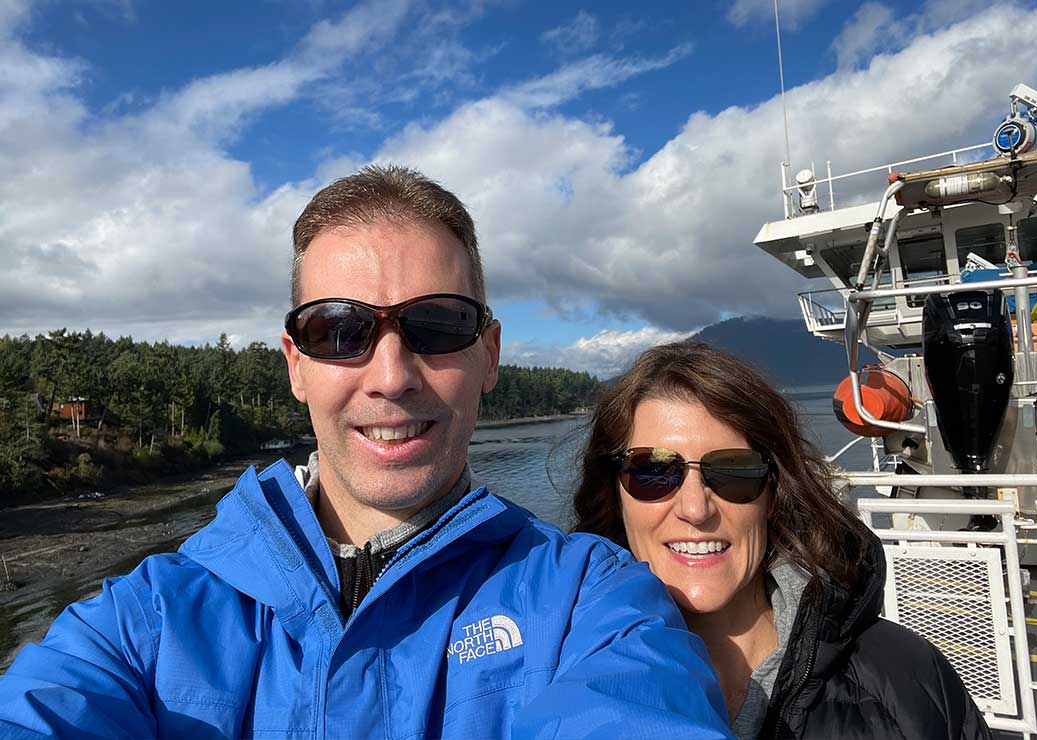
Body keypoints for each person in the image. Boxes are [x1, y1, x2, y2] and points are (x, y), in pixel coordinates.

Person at [0, 167, 733, 738]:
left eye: (439, 325)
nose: (390, 376)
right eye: (339, 330)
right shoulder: (148, 620)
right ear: (295, 364)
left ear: (490, 356)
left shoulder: (591, 605)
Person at [573, 340, 992, 740]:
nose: (695, 509)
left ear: (774, 493)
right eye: (653, 471)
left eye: (734, 471)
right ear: (614, 496)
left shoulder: (904, 678)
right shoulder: (561, 682)